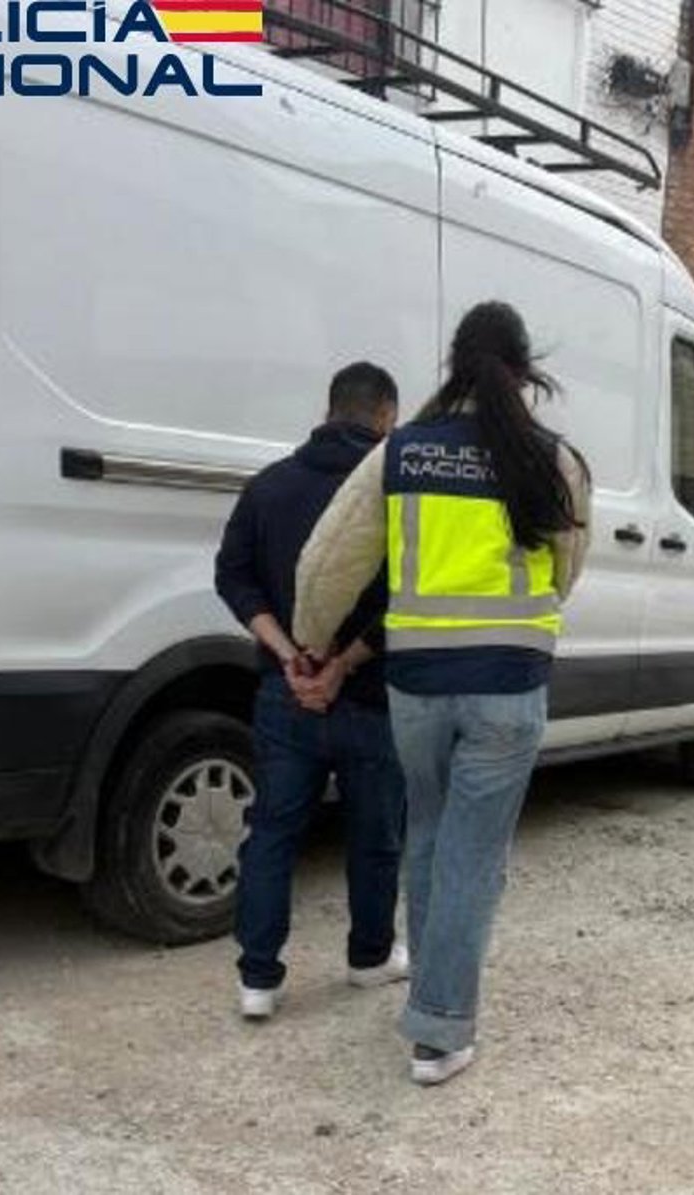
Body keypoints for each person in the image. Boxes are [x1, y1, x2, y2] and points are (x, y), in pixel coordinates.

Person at [294, 303, 590, 1084]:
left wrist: (313, 645)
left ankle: (433, 994)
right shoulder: (554, 459)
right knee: (472, 854)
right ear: (522, 369)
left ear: (454, 363)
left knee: (428, 835)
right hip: (507, 686)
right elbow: (567, 569)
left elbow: (325, 564)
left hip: (417, 686)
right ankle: (440, 1030)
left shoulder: (402, 452)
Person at [215, 361, 408, 1020]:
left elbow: (233, 575)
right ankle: (369, 957)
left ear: (328, 411)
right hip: (371, 695)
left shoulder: (269, 485)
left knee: (272, 834)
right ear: (385, 417)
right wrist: (341, 664)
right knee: (375, 836)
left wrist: (290, 653)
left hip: (285, 692)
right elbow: (407, 596)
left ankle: (258, 979)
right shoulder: (394, 497)